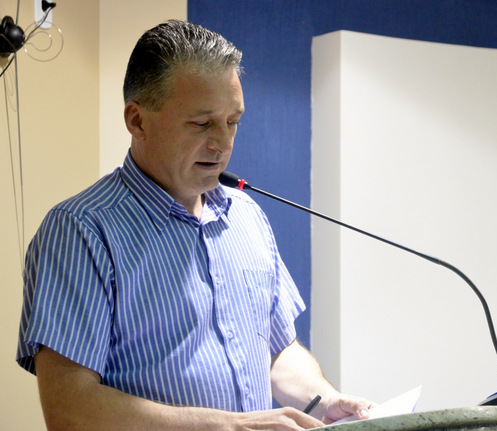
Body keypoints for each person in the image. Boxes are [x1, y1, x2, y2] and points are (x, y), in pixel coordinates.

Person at [16, 20, 373, 431]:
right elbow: (69, 409)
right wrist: (229, 426)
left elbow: (278, 352)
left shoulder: (246, 216)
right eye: (202, 124)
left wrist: (326, 401)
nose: (223, 143)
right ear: (137, 121)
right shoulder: (81, 231)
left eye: (233, 121)